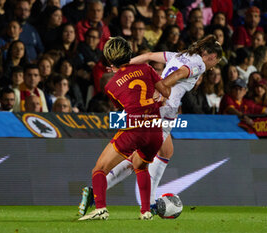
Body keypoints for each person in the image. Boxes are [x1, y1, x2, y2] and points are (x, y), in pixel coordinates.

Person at [79, 35, 223, 216]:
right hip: (164, 109)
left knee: (165, 151)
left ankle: (106, 191)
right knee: (138, 160)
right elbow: (178, 74)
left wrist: (123, 66)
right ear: (210, 56)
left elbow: (148, 55)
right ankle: (102, 192)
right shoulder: (199, 64)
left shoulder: (178, 56)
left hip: (153, 107)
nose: (213, 66)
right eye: (215, 62)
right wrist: (162, 88)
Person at [79, 36, 173, 221]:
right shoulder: (146, 68)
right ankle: (145, 211)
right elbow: (167, 93)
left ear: (109, 61)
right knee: (141, 166)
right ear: (130, 53)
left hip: (134, 129)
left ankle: (100, 209)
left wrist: (117, 73)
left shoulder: (110, 85)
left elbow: (122, 106)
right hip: (155, 131)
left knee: (99, 169)